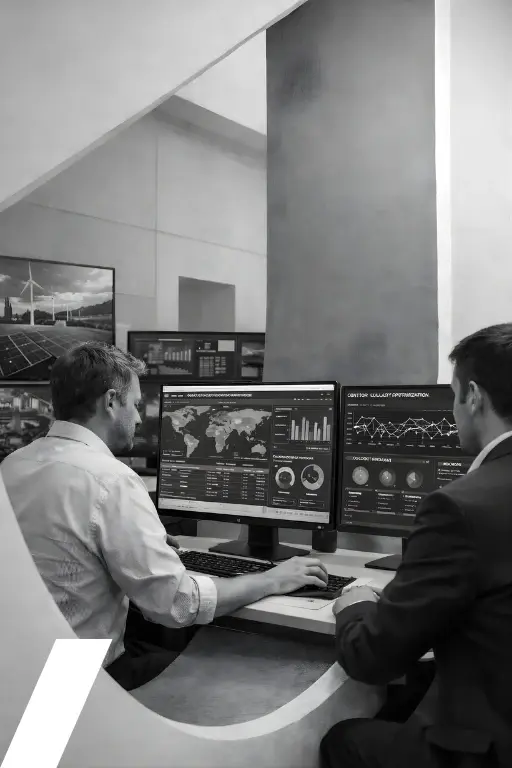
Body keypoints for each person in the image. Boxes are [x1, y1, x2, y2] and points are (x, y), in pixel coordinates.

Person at [1, 342, 328, 691]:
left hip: (17, 671)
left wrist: (141, 547)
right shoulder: (111, 480)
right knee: (241, 677)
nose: (140, 417)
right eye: (136, 404)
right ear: (111, 402)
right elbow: (177, 604)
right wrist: (272, 580)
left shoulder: (13, 465)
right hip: (76, 682)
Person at [321, 323, 512, 768]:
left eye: (453, 394)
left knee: (345, 740)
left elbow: (372, 659)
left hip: (489, 750)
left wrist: (356, 602)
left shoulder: (458, 508)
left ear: (474, 397)